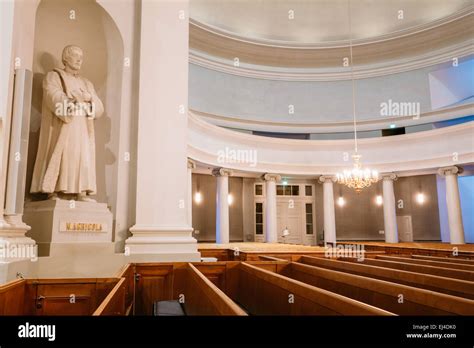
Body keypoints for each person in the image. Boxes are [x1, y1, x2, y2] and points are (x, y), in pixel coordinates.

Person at [30, 45, 104, 202]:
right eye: (75, 55)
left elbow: (99, 109)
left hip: (83, 128)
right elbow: (53, 96)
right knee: (64, 155)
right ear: (65, 58)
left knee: (82, 157)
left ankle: (80, 192)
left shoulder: (86, 83)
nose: (79, 59)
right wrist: (74, 100)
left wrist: (89, 98)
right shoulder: (54, 76)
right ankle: (56, 191)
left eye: (81, 57)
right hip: (64, 126)